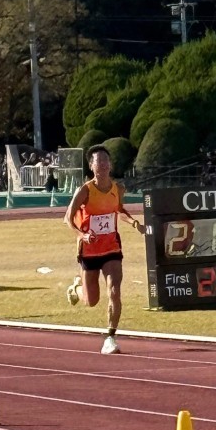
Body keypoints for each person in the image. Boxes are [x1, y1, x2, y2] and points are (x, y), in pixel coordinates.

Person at [64, 145, 146, 354]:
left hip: (111, 248)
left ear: (110, 165)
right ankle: (76, 288)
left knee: (115, 290)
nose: (102, 164)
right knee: (91, 301)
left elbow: (120, 210)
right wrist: (83, 235)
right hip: (89, 251)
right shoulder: (85, 191)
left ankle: (110, 337)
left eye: (105, 160)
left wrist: (134, 223)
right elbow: (67, 218)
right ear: (91, 166)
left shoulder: (117, 189)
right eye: (98, 161)